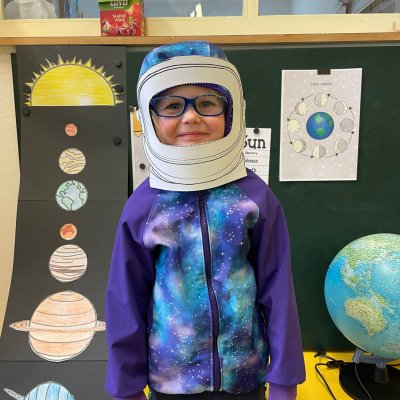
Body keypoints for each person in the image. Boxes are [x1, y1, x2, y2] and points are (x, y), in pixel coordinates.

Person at [105, 41, 306, 400]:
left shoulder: (254, 197)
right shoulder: (144, 206)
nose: (190, 117)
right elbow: (125, 300)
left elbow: (279, 289)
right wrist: (127, 385)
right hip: (171, 380)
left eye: (208, 103)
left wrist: (284, 378)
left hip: (244, 377)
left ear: (231, 111)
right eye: (172, 106)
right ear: (150, 117)